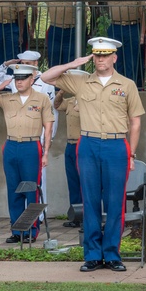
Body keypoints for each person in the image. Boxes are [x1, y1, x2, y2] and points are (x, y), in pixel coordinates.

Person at [42, 37, 144, 272]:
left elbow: (135, 122)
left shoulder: (127, 85)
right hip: (87, 143)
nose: (100, 59)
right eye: (97, 55)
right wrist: (73, 63)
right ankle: (92, 255)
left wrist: (131, 153)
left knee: (115, 201)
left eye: (105, 55)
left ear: (114, 58)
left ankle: (112, 254)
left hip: (117, 145)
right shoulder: (81, 82)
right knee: (89, 201)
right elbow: (46, 77)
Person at [0, 64, 54, 243]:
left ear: (32, 79)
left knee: (31, 190)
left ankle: (31, 231)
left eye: (23, 79)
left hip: (31, 146)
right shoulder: (7, 99)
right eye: (17, 79)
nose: (19, 82)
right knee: (14, 191)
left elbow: (49, 127)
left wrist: (45, 153)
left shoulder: (42, 99)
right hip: (11, 145)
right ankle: (17, 231)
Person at [86, 0, 146, 88]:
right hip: (116, 28)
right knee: (115, 59)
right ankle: (116, 87)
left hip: (132, 27)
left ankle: (130, 89)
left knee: (132, 61)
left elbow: (142, 14)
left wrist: (142, 34)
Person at [28, 0, 89, 67]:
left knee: (70, 62)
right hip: (55, 30)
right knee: (54, 61)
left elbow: (85, 15)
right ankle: (54, 84)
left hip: (72, 31)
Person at [54, 83, 87, 227]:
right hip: (70, 145)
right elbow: (56, 105)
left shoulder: (88, 100)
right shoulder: (70, 101)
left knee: (85, 182)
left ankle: (87, 216)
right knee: (73, 182)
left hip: (83, 144)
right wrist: (61, 92)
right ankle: (76, 217)